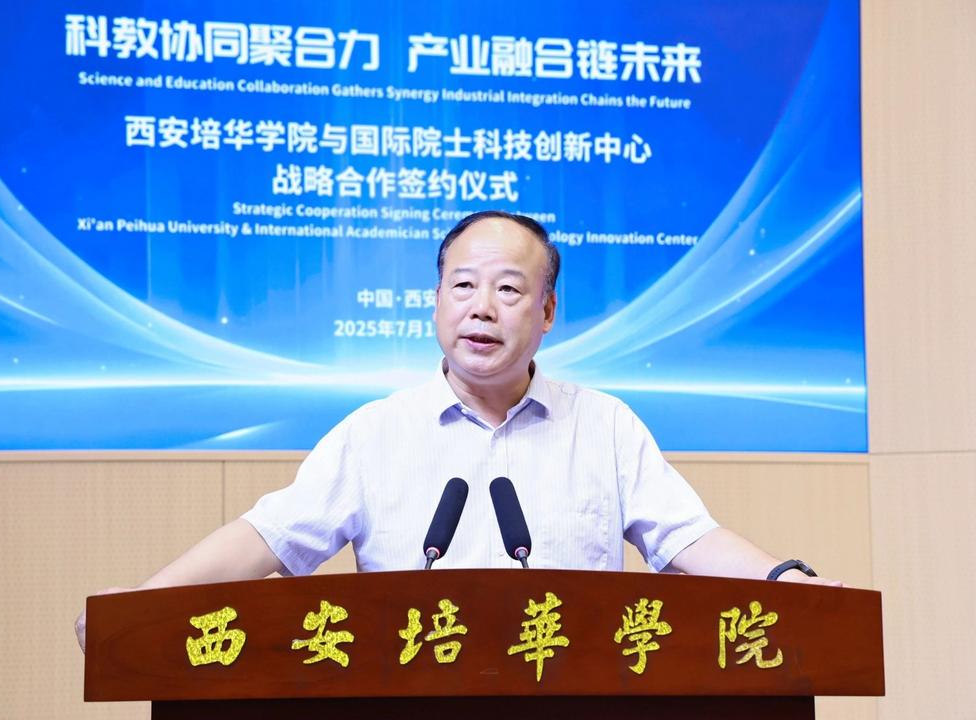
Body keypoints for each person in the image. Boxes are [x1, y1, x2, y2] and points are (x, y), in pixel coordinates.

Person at [75, 210, 840, 652]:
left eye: (509, 289)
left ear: (547, 312)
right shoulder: (377, 433)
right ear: (436, 302)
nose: (482, 307)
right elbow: (269, 538)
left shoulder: (604, 425)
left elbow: (687, 537)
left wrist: (787, 585)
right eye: (463, 285)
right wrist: (142, 603)